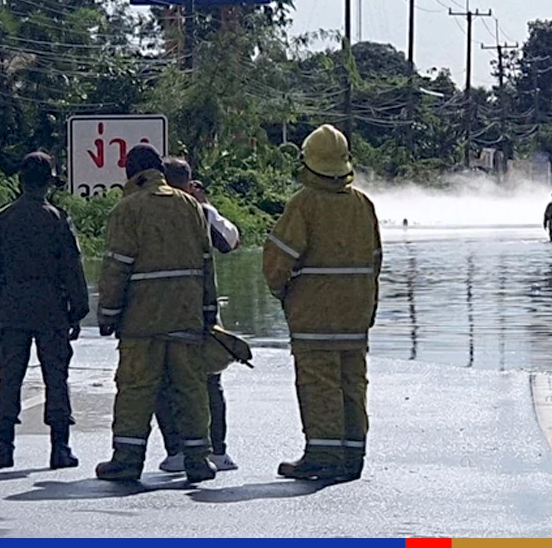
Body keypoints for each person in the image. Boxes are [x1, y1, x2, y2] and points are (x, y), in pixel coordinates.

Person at [94, 145, 221, 483]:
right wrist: (209, 312)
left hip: (141, 322)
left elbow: (116, 268)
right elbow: (207, 264)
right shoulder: (190, 205)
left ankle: (126, 460)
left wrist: (107, 314)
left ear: (131, 174)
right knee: (191, 389)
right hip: (186, 316)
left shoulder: (127, 209)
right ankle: (198, 459)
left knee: (136, 389)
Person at [263, 124, 382, 482]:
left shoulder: (304, 204)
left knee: (319, 382)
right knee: (352, 382)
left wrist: (283, 293)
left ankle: (323, 454)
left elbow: (278, 261)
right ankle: (352, 455)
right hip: (356, 313)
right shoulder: (363, 204)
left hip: (314, 314)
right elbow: (375, 260)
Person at [0, 151, 90, 471]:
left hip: (11, 307)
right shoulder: (57, 219)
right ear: (49, 185)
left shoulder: (2, 218)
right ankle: (60, 450)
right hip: (51, 309)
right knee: (56, 377)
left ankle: (4, 450)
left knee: (9, 377)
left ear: (20, 181)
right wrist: (78, 310)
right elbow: (73, 269)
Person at [154, 157, 240, 473]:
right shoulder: (200, 211)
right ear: (190, 184)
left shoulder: (147, 208)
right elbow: (231, 240)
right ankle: (217, 451)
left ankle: (176, 450)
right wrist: (206, 204)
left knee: (164, 380)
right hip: (200, 308)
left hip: (159, 309)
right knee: (208, 381)